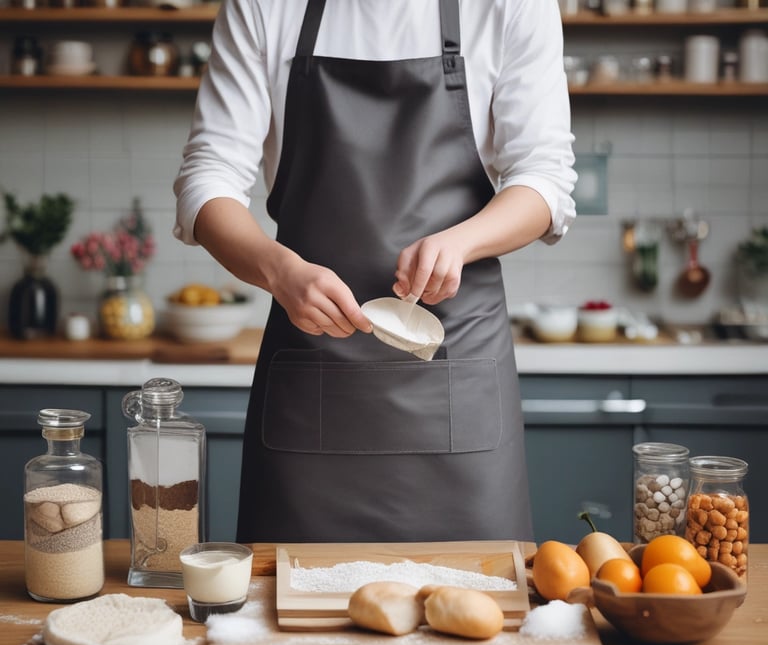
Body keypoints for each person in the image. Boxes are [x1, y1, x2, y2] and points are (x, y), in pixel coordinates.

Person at [173, 0, 577, 543]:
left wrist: (462, 242)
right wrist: (279, 269)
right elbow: (208, 177)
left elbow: (545, 179)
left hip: (457, 379)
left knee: (480, 609)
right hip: (312, 382)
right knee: (287, 618)